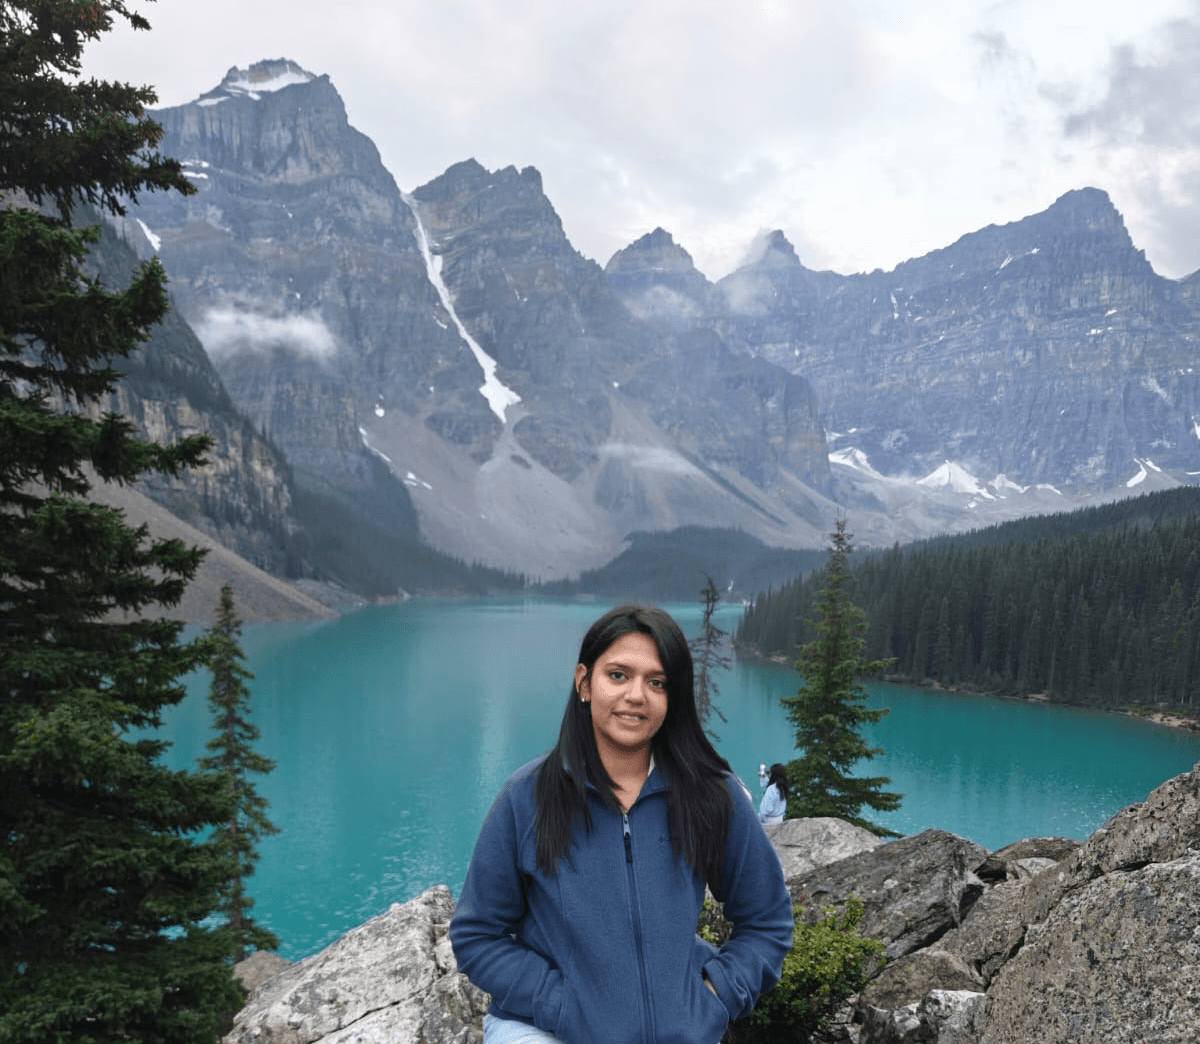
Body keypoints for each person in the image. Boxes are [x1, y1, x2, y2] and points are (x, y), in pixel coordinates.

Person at [451, 604, 793, 1044]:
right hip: (543, 1029)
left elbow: (767, 921)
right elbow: (477, 934)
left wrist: (716, 995)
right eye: (618, 675)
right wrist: (558, 1003)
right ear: (583, 683)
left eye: (657, 682)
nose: (637, 695)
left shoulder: (710, 794)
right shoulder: (528, 797)